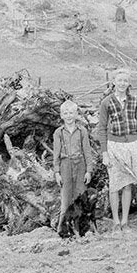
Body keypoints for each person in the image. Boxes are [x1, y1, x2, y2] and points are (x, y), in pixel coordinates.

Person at [97, 68, 137, 232]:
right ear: (114, 82)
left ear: (129, 83)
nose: (122, 83)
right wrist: (105, 153)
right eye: (119, 80)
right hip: (114, 146)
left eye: (125, 80)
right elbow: (101, 129)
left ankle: (125, 221)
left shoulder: (134, 101)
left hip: (131, 146)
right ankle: (116, 222)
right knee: (115, 184)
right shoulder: (106, 102)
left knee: (128, 184)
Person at [52, 99, 94, 236]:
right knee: (65, 199)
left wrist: (89, 170)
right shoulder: (58, 132)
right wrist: (57, 172)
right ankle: (61, 229)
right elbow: (56, 154)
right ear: (61, 115)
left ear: (76, 114)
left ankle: (83, 229)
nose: (69, 116)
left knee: (80, 198)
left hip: (80, 164)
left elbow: (87, 151)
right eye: (65, 113)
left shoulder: (82, 131)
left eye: (71, 113)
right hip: (65, 165)